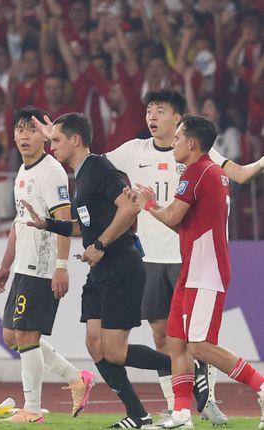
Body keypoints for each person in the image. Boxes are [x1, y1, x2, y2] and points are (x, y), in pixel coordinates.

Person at [105, 88, 264, 426]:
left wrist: (147, 203)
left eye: (179, 136)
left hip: (204, 269)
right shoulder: (202, 170)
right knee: (174, 341)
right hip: (187, 265)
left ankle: (259, 386)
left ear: (190, 140)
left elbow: (173, 217)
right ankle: (180, 412)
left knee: (200, 346)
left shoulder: (198, 170)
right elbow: (186, 225)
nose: (174, 141)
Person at [25, 113, 172, 429]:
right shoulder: (81, 176)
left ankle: (184, 366)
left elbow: (130, 207)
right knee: (94, 344)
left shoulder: (98, 168)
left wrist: (101, 245)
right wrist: (47, 224)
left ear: (76, 140)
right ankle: (138, 415)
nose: (52, 147)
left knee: (114, 352)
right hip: (100, 272)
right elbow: (84, 225)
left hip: (121, 267)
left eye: (57, 141)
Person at [0, 107, 95, 424]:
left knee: (26, 336)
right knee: (12, 335)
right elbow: (18, 222)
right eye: (20, 129)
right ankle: (77, 378)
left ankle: (32, 410)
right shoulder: (22, 172)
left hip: (43, 265)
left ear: (44, 136)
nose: (24, 136)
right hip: (23, 265)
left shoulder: (52, 172)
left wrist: (62, 266)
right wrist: (5, 265)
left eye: (32, 129)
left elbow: (63, 220)